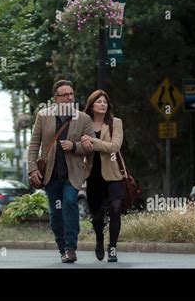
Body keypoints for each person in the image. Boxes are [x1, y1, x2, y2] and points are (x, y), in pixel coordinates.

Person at [28, 80, 95, 263]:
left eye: (71, 94)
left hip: (73, 174)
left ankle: (71, 248)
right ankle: (62, 247)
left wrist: (74, 146)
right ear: (55, 99)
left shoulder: (83, 119)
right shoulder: (43, 116)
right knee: (55, 214)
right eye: (65, 95)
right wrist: (32, 169)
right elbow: (34, 144)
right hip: (51, 174)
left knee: (70, 203)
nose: (69, 97)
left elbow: (91, 146)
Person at [81, 90, 125, 262]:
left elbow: (114, 146)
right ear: (91, 105)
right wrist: (81, 144)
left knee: (115, 210)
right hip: (92, 176)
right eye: (99, 102)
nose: (102, 104)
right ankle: (99, 239)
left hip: (113, 174)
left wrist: (92, 142)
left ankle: (112, 247)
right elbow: (80, 147)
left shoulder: (116, 123)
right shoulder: (84, 125)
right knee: (97, 215)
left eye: (105, 102)